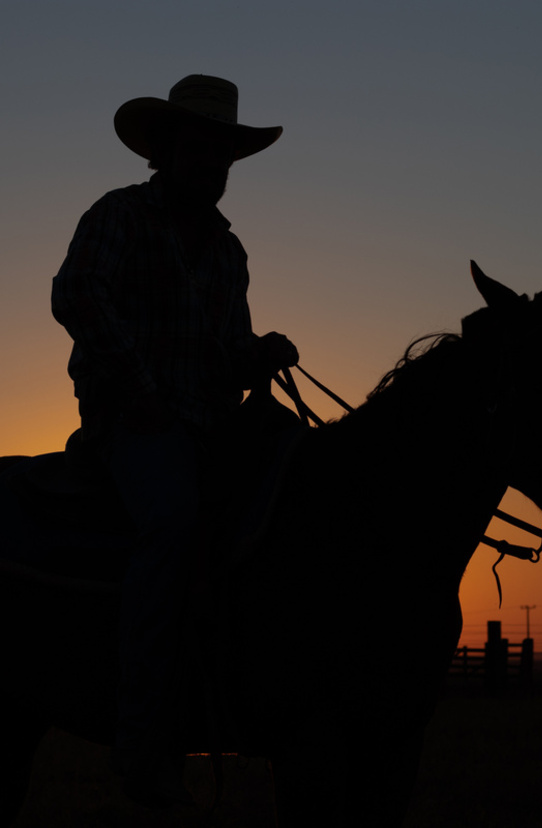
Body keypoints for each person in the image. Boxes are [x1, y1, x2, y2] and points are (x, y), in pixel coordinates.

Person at [51, 75, 298, 807]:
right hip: (132, 420)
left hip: (206, 419)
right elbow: (78, 294)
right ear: (164, 151)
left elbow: (221, 351)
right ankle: (143, 734)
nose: (212, 165)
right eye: (199, 149)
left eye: (223, 153)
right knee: (171, 518)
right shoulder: (120, 215)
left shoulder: (228, 253)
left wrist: (258, 354)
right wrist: (139, 389)